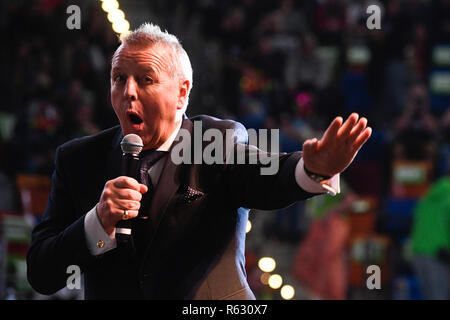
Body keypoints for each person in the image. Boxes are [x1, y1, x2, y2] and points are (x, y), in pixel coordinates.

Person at [26, 23, 372, 300]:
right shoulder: (77, 159)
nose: (128, 91)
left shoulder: (215, 140)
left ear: (181, 93)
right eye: (119, 78)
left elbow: (269, 176)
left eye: (145, 79)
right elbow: (41, 272)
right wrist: (96, 223)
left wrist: (313, 169)